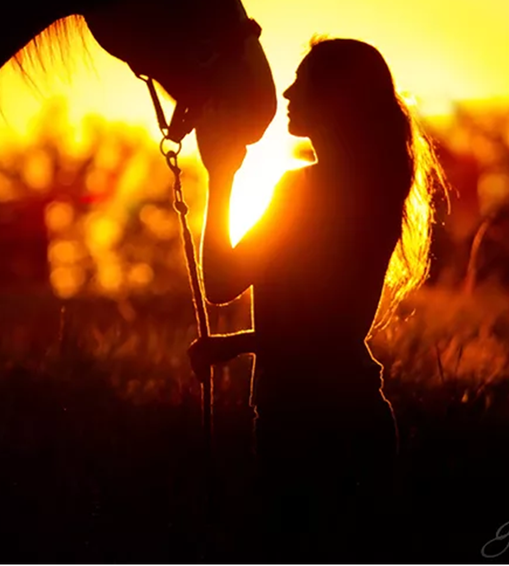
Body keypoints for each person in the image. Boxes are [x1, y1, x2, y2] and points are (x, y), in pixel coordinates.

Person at [188, 37, 445, 560]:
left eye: (303, 82)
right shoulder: (377, 189)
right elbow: (329, 330)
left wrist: (220, 176)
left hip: (300, 423)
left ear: (335, 99)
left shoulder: (303, 191)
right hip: (354, 415)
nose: (286, 91)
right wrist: (235, 344)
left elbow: (221, 283)